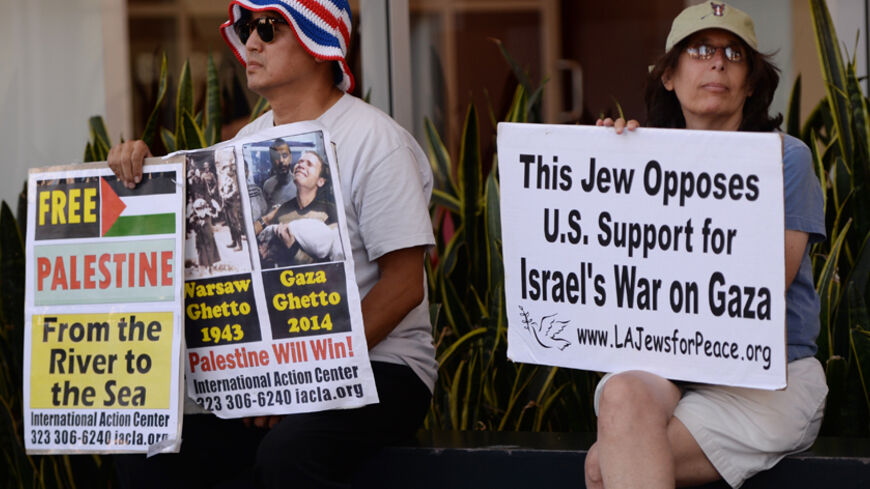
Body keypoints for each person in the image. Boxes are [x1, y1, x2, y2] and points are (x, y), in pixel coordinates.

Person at [108, 1, 437, 487]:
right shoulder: (245, 141)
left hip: (382, 367)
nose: (250, 43)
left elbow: (405, 285)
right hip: (266, 373)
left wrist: (301, 381)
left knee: (290, 453)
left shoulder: (375, 139)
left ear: (318, 41)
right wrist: (139, 169)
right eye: (245, 29)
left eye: (267, 28)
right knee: (150, 456)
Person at [586, 3, 827, 489]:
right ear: (670, 76)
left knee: (600, 469)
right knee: (622, 394)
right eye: (699, 50)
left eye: (734, 54)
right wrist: (604, 169)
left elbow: (761, 287)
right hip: (673, 367)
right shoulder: (640, 159)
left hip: (764, 380)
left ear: (752, 82)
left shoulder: (785, 159)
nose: (717, 62)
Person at [256, 150, 342, 267]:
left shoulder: (330, 211)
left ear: (320, 181)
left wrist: (293, 248)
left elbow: (332, 269)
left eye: (309, 164)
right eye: (300, 161)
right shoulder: (283, 210)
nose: (301, 164)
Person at [262, 138, 297, 207]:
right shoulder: (267, 186)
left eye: (284, 156)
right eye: (276, 157)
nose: (281, 160)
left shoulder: (301, 184)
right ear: (272, 161)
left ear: (290, 158)